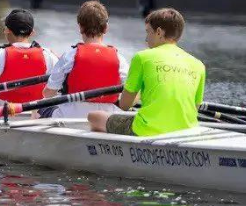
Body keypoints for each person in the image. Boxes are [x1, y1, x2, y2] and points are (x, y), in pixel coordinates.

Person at [88, 8, 205, 137]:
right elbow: (195, 107)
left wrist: (135, 94)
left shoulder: (142, 58)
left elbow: (125, 105)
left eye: (148, 32)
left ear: (159, 32)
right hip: (186, 129)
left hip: (147, 130)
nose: (146, 39)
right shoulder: (198, 64)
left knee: (94, 116)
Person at [40, 0, 128, 118]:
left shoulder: (70, 56)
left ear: (80, 28)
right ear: (106, 28)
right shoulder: (119, 59)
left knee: (40, 107)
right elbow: (130, 91)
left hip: (72, 116)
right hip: (107, 117)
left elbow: (48, 93)